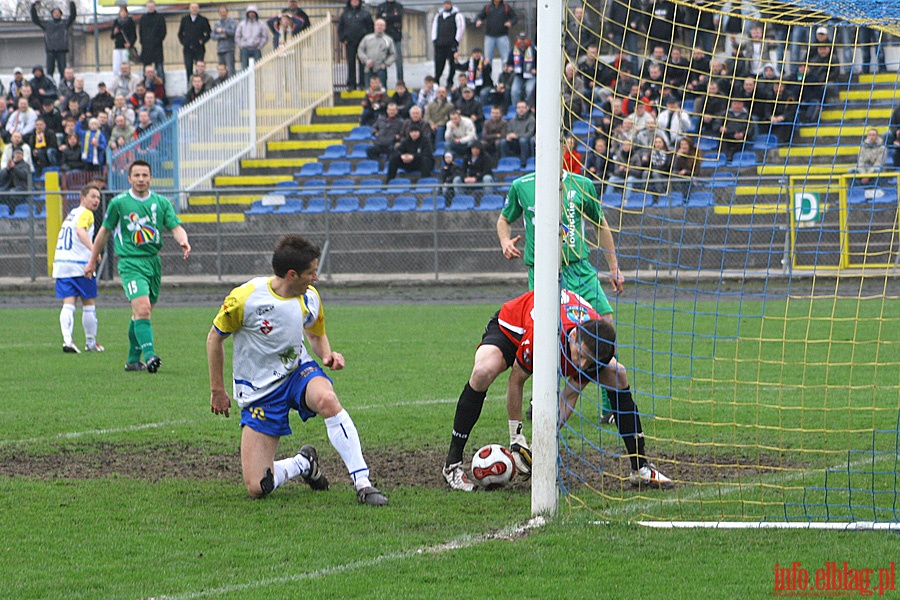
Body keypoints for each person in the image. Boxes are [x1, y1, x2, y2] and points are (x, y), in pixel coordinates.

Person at [207, 235, 388, 506]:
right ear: (292, 274)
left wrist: (327, 355)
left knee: (327, 399)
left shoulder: (310, 297)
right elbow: (214, 338)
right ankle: (303, 463)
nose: (315, 277)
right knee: (258, 486)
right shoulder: (244, 299)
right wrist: (217, 390)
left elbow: (315, 334)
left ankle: (363, 483)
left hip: (296, 372)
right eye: (311, 272)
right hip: (260, 392)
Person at [441, 288, 674, 491]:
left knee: (618, 374)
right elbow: (516, 380)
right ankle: (452, 464)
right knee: (484, 370)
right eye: (580, 355)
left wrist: (539, 445)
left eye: (588, 361)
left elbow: (569, 396)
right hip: (514, 327)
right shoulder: (545, 335)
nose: (581, 365)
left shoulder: (597, 351)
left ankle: (640, 467)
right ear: (573, 337)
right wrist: (517, 439)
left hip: (550, 331)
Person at [498, 170, 622, 420]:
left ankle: (611, 404)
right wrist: (505, 242)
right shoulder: (522, 186)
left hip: (579, 268)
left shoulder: (582, 184)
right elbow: (504, 220)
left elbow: (600, 223)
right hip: (543, 270)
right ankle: (540, 399)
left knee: (604, 327)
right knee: (545, 333)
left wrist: (614, 266)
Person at [83, 160, 191, 374]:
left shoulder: (161, 202)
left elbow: (175, 226)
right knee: (142, 309)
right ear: (129, 178)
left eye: (145, 175)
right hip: (130, 262)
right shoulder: (119, 203)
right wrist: (91, 260)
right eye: (137, 175)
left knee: (141, 312)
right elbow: (104, 232)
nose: (141, 179)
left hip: (153, 262)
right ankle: (150, 357)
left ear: (150, 178)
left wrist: (183, 240)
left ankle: (133, 361)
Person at [52, 184, 104, 354]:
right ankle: (90, 342)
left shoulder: (71, 213)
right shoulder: (86, 214)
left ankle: (67, 340)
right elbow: (81, 232)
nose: (96, 200)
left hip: (61, 264)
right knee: (88, 303)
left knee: (68, 304)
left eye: (98, 197)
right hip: (80, 265)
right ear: (83, 198)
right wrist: (94, 250)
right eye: (93, 196)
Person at [30, 1, 77, 79]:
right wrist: (33, 7)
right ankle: (50, 86)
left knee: (62, 70)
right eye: (55, 12)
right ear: (52, 14)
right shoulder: (47, 24)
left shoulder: (64, 23)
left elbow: (73, 16)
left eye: (58, 12)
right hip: (50, 50)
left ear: (61, 14)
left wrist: (72, 3)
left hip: (61, 50)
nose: (56, 14)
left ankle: (62, 86)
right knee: (49, 71)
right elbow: (35, 20)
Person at [338, 0, 374, 90]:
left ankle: (362, 84)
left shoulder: (365, 14)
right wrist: (343, 39)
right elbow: (340, 28)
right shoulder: (345, 14)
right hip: (350, 43)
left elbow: (371, 28)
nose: (355, 1)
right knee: (351, 63)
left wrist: (368, 40)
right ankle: (351, 84)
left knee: (363, 63)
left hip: (362, 43)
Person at [431, 0, 466, 88]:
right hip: (440, 44)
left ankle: (450, 81)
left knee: (452, 63)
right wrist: (434, 40)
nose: (446, 6)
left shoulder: (457, 15)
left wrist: (456, 41)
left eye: (448, 4)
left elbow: (460, 28)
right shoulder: (438, 15)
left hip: (451, 44)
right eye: (445, 4)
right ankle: (437, 80)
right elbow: (434, 27)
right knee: (439, 63)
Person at [178, 3, 212, 87]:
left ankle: (201, 87)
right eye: (192, 8)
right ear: (189, 9)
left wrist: (202, 41)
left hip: (199, 49)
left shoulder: (203, 20)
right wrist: (184, 42)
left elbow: (208, 33)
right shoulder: (184, 19)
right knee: (189, 69)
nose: (194, 9)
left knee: (200, 69)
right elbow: (180, 34)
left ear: (198, 9)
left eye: (196, 8)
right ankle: (190, 88)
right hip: (188, 49)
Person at [475, 0, 517, 66]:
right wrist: (478, 20)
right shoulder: (487, 7)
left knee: (505, 59)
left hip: (503, 36)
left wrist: (510, 22)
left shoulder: (506, 7)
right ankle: (488, 75)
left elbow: (515, 17)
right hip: (489, 36)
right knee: (487, 60)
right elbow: (479, 16)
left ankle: (506, 75)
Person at [357, 18, 396, 87]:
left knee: (382, 91)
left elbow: (393, 54)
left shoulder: (388, 40)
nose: (379, 27)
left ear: (385, 27)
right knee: (369, 91)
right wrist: (366, 61)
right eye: (377, 25)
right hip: (368, 69)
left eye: (381, 25)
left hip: (381, 69)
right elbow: (360, 50)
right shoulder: (367, 38)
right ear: (374, 26)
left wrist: (386, 64)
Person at [376, 0, 404, 84]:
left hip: (396, 39)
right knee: (382, 62)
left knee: (398, 62)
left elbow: (398, 18)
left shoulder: (399, 6)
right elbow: (379, 20)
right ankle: (383, 84)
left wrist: (387, 17)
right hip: (383, 39)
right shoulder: (381, 6)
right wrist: (391, 18)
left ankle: (400, 82)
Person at [139, 0, 168, 85]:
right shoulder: (143, 18)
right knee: (146, 70)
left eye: (152, 6)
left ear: (155, 7)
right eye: (149, 6)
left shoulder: (160, 17)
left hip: (157, 47)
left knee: (160, 70)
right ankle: (145, 88)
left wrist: (157, 40)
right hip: (146, 48)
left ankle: (162, 89)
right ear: (146, 7)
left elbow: (163, 32)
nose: (150, 8)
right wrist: (143, 42)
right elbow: (141, 32)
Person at [499, 100, 535, 167]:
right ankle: (505, 163)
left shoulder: (531, 119)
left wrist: (517, 136)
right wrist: (509, 136)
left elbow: (530, 133)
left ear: (527, 108)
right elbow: (509, 131)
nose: (521, 109)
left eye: (522, 107)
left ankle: (523, 163)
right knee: (503, 142)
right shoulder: (512, 120)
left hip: (526, 142)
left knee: (523, 140)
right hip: (514, 141)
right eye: (519, 107)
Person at [506, 32, 536, 104]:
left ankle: (529, 107)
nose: (522, 41)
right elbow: (509, 63)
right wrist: (509, 67)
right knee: (514, 91)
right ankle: (516, 109)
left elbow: (540, 61)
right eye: (520, 39)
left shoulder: (533, 49)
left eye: (524, 39)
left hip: (531, 75)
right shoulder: (513, 49)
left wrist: (536, 69)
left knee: (529, 90)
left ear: (527, 39)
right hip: (519, 75)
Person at [235, 5, 268, 71]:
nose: (252, 14)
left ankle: (258, 81)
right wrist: (240, 45)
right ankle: (245, 81)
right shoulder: (242, 24)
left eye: (253, 12)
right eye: (250, 12)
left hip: (256, 48)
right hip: (244, 49)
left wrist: (260, 46)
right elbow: (237, 36)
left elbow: (265, 36)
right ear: (247, 13)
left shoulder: (261, 24)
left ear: (256, 13)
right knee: (244, 69)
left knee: (258, 68)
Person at [111, 6, 137, 79]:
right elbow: (112, 36)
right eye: (121, 12)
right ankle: (116, 79)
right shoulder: (116, 22)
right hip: (117, 47)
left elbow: (134, 35)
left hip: (125, 47)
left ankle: (126, 78)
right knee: (116, 66)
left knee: (125, 65)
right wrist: (115, 32)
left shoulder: (130, 22)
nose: (123, 14)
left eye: (124, 12)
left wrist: (130, 43)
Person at [211, 5, 237, 75]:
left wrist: (223, 30)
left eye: (224, 12)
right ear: (219, 13)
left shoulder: (232, 21)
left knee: (230, 69)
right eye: (221, 12)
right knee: (221, 69)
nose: (223, 13)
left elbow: (233, 32)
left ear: (227, 12)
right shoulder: (217, 23)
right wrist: (221, 36)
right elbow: (213, 36)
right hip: (220, 49)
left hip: (229, 49)